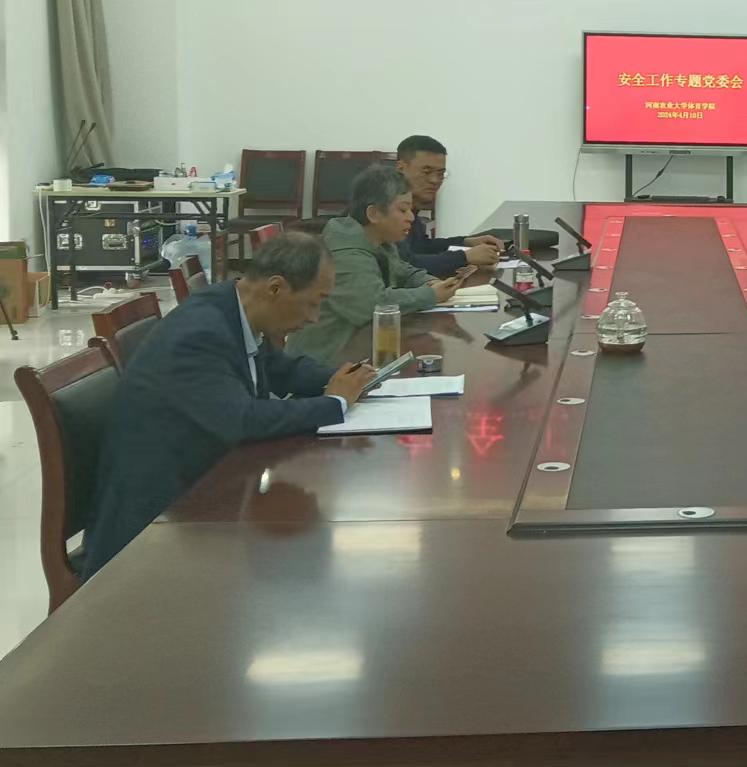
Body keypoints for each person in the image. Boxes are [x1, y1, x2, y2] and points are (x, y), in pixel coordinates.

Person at [82, 232, 373, 578]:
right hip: (157, 525)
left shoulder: (232, 308)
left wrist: (346, 378)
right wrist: (334, 403)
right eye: (314, 302)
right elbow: (242, 419)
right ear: (276, 288)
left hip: (205, 491)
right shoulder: (201, 333)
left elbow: (279, 369)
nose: (315, 317)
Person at [288, 164, 467, 362]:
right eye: (403, 209)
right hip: (321, 363)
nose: (411, 217)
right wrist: (430, 295)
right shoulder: (345, 253)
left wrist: (430, 282)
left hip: (358, 351)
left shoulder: (378, 240)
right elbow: (371, 305)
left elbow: (404, 270)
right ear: (374, 214)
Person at [395, 134, 504, 277]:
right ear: (401, 168)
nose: (435, 180)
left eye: (441, 173)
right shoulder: (385, 208)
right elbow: (403, 265)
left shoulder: (411, 206)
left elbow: (420, 246)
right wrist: (464, 257)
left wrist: (466, 242)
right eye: (426, 172)